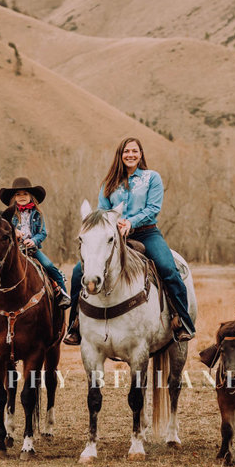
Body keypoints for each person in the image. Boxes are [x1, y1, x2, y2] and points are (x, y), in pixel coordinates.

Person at [63, 137, 195, 345]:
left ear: (141, 154)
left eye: (134, 151)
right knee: (79, 271)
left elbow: (153, 208)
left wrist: (130, 222)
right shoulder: (109, 183)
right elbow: (103, 211)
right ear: (120, 155)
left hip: (146, 233)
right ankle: (75, 324)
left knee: (168, 268)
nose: (130, 155)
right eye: (126, 151)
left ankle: (182, 321)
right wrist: (112, 224)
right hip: (114, 237)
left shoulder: (152, 178)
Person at [0, 177, 72, 310]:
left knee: (49, 266)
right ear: (14, 198)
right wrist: (15, 231)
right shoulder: (8, 215)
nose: (22, 197)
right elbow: (3, 230)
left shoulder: (37, 214)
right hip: (13, 250)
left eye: (25, 194)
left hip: (31, 249)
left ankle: (62, 294)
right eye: (18, 194)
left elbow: (43, 232)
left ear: (31, 197)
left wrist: (34, 240)